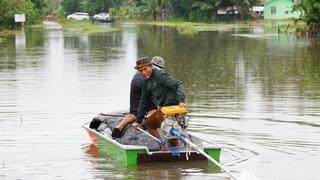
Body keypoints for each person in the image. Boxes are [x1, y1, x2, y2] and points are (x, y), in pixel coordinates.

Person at [132, 57, 187, 139]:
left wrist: (181, 101)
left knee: (170, 131)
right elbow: (143, 102)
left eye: (145, 69)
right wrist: (138, 121)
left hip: (175, 108)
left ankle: (175, 145)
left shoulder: (159, 75)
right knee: (148, 124)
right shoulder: (146, 82)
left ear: (151, 66)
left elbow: (179, 84)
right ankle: (163, 145)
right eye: (141, 71)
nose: (144, 72)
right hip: (164, 109)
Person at [111, 56, 165, 138]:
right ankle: (147, 122)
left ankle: (120, 126)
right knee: (152, 108)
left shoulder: (142, 69)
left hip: (135, 82)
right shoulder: (157, 71)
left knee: (134, 112)